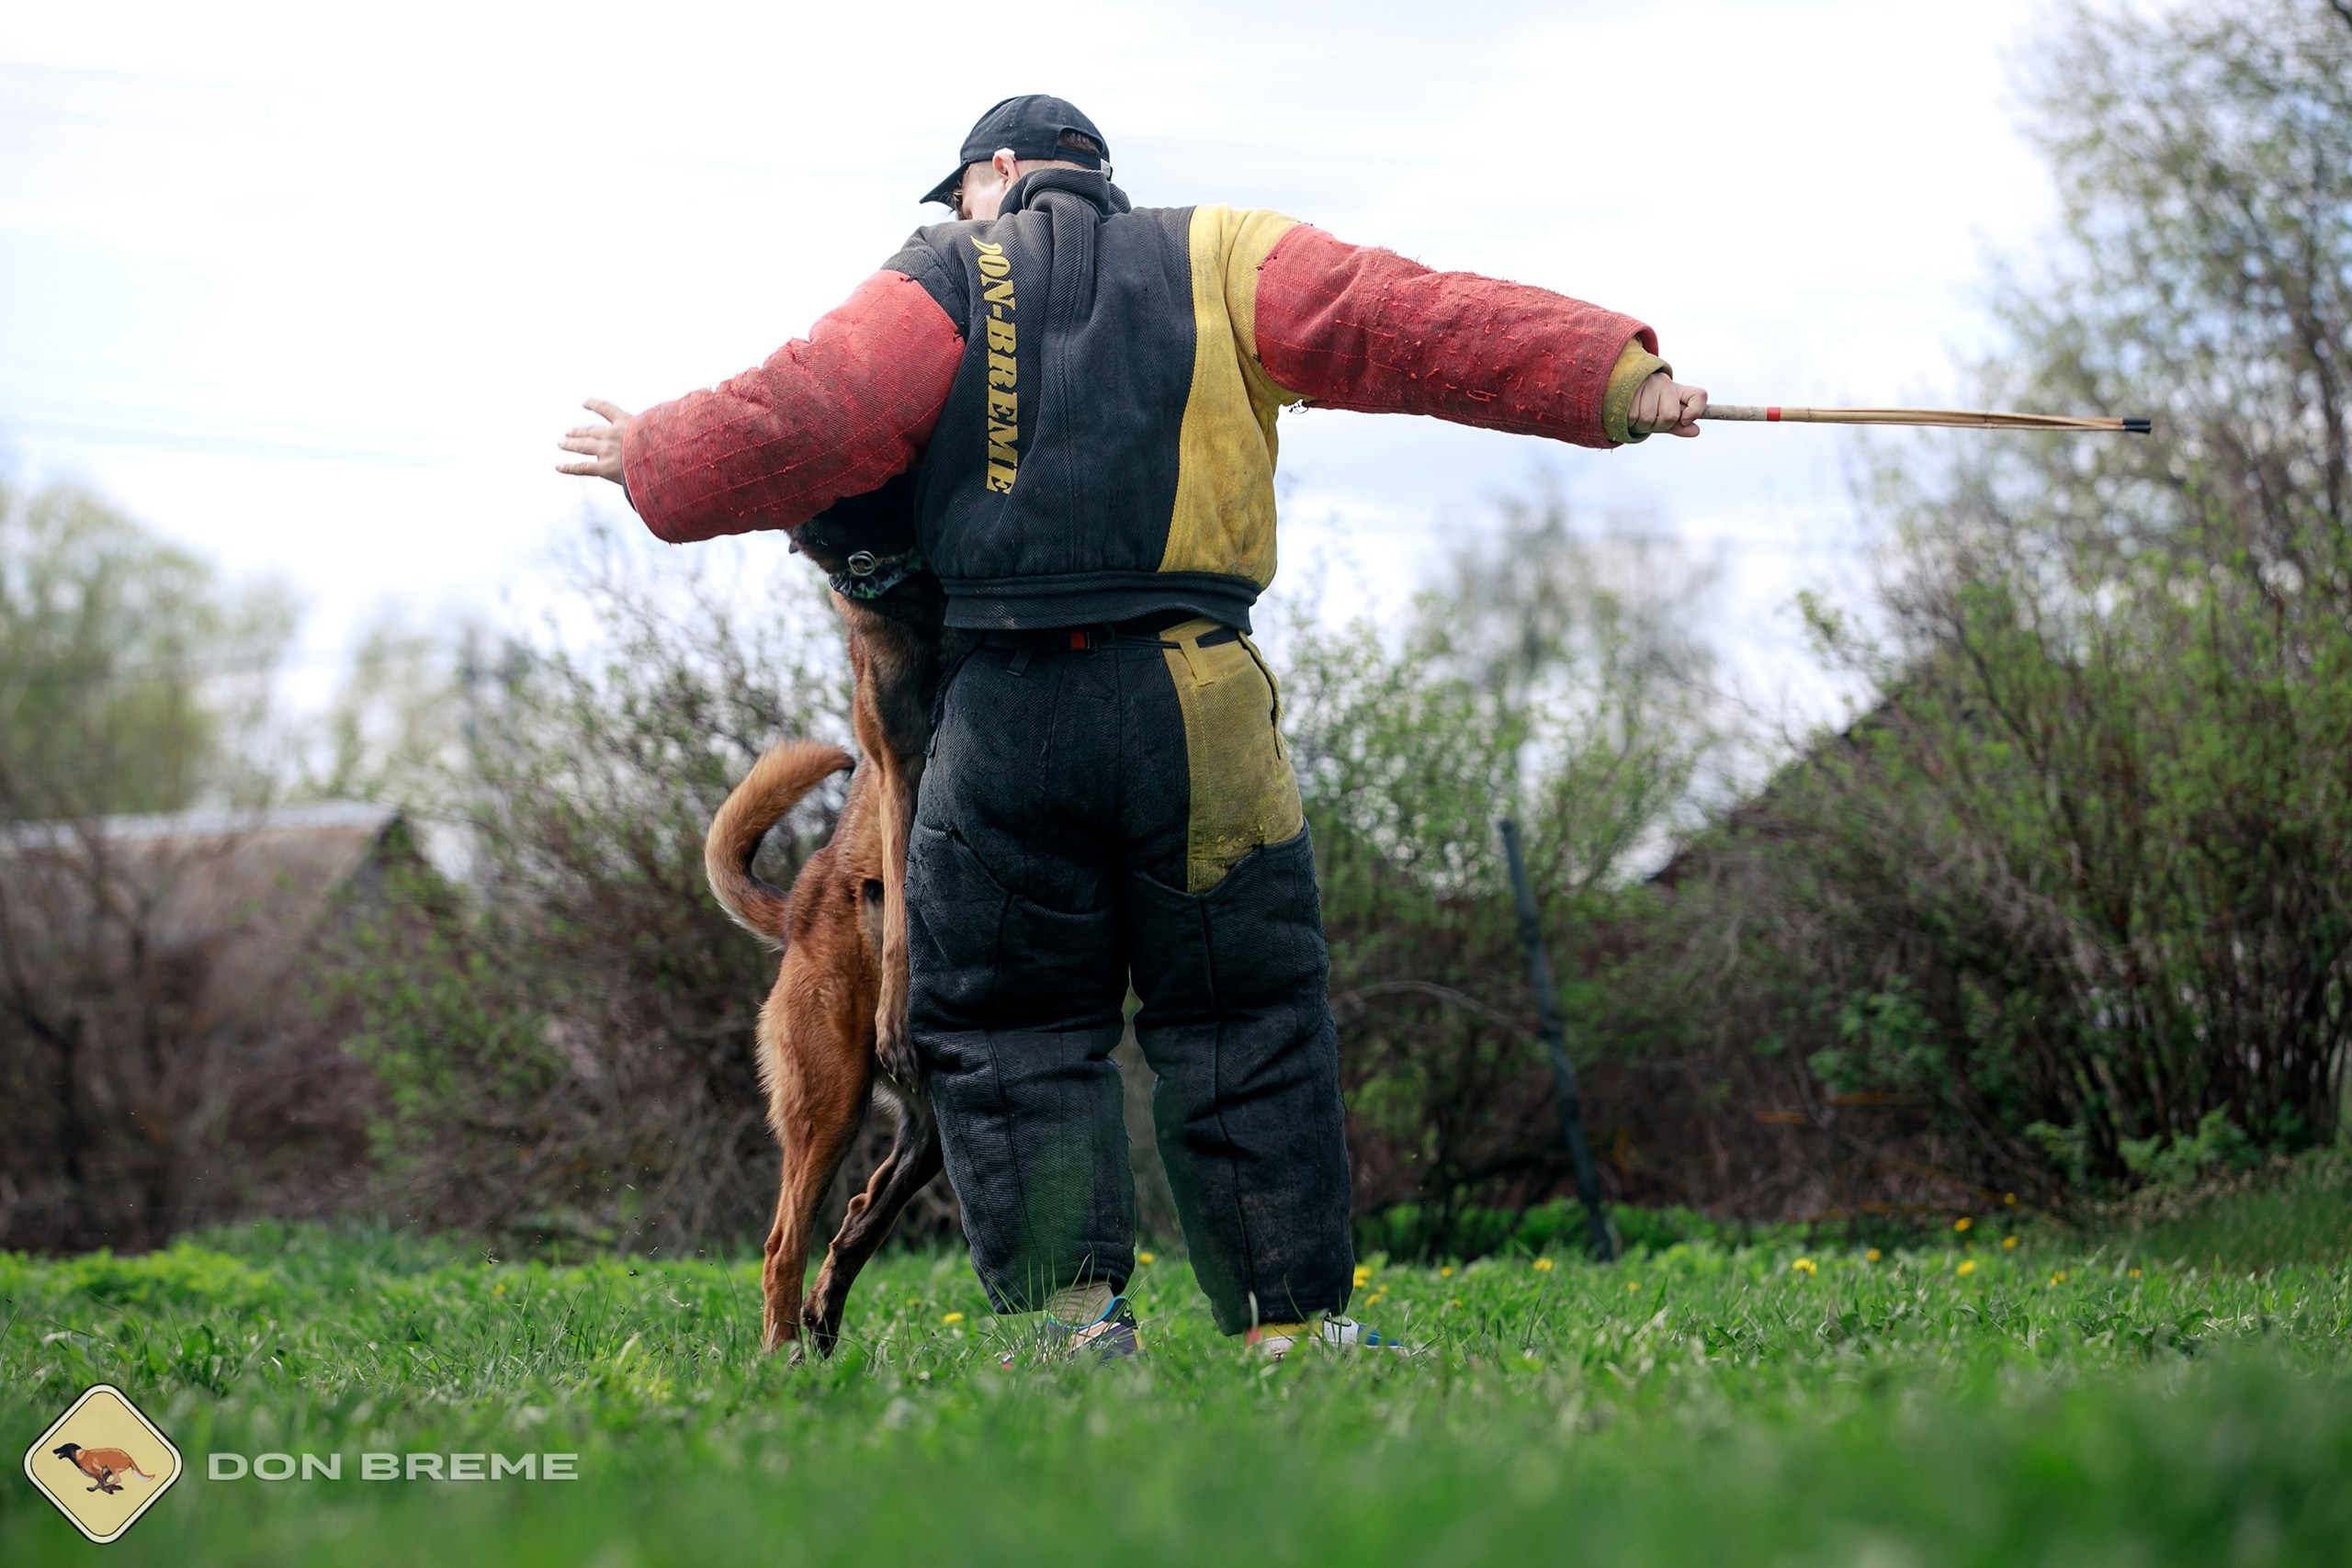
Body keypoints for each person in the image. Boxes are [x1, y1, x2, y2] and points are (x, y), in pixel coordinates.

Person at [559, 94, 1707, 1360]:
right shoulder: (1226, 253)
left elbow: (813, 409)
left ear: (995, 174)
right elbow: (1408, 317)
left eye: (964, 196)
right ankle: (1289, 1331)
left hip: (1004, 711)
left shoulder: (947, 268)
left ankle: (1069, 1328)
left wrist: (657, 455)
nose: (962, 216)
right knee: (1248, 1013)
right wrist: (1616, 379)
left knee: (1010, 1027)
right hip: (1199, 698)